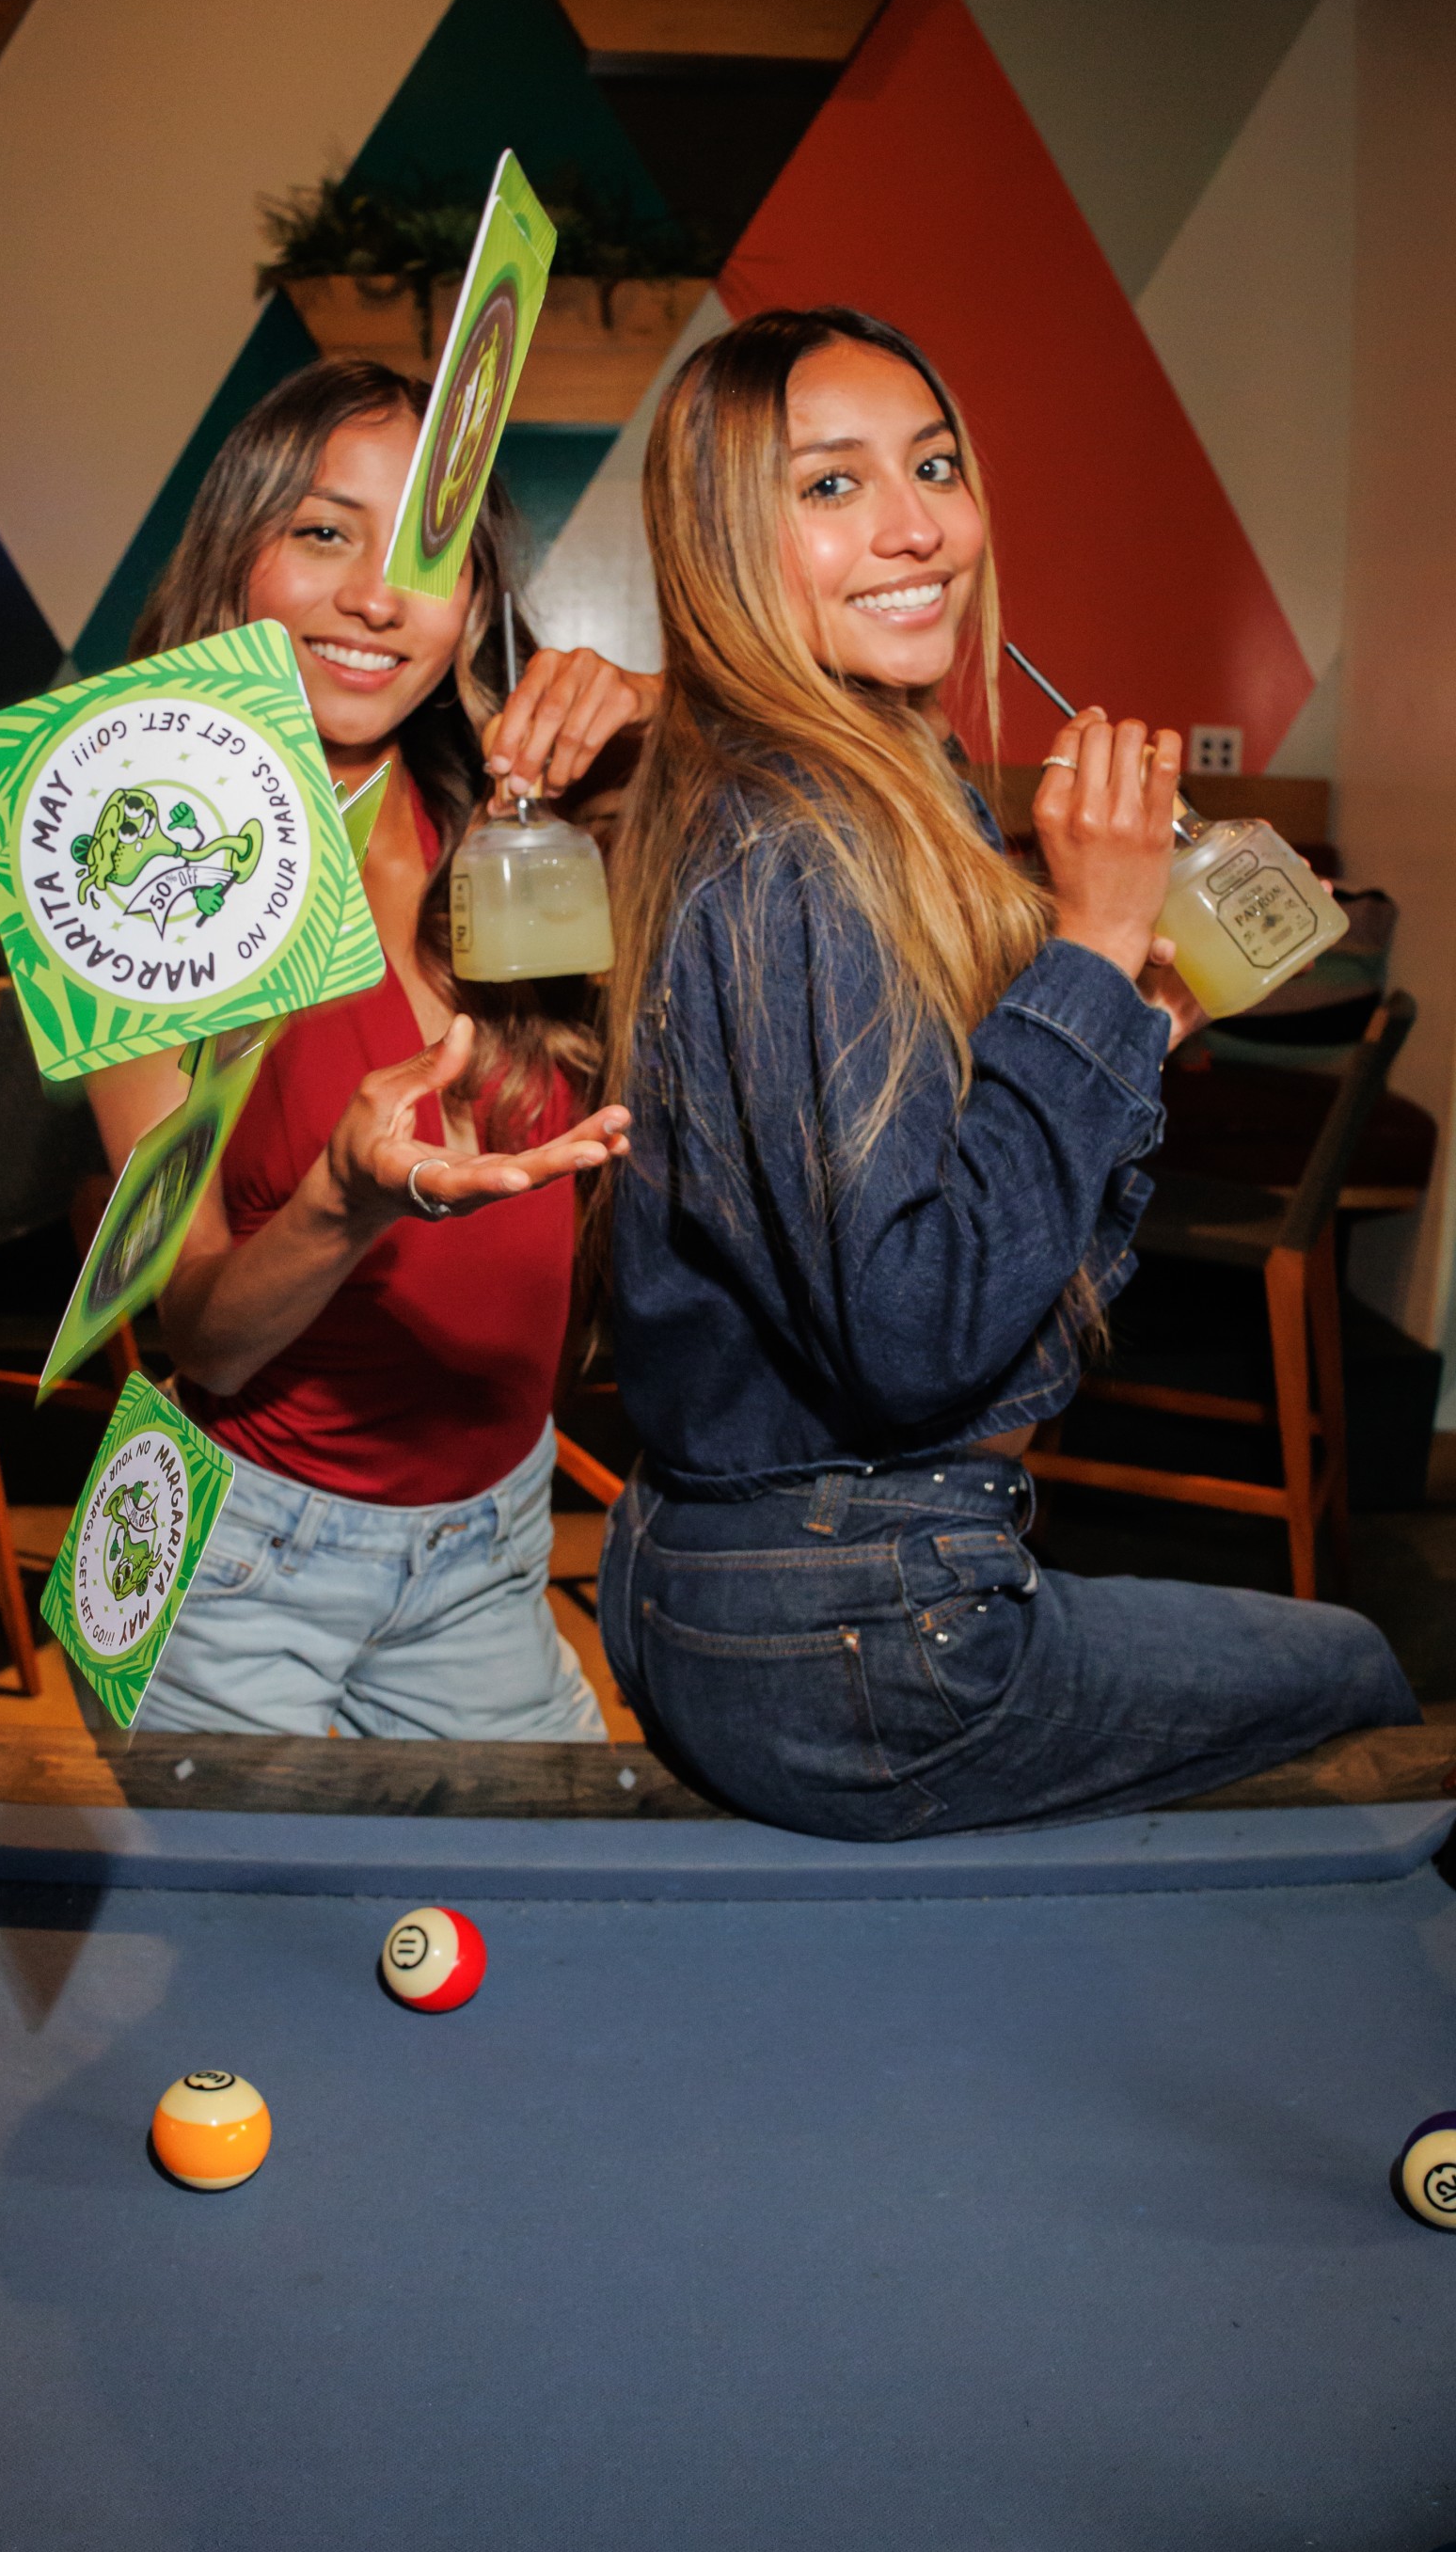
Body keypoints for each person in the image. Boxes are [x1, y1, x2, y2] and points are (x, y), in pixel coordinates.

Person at [593, 304, 1416, 1839]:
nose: (917, 528)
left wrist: (1131, 1025)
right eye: (831, 487)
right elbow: (919, 1336)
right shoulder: (801, 847)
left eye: (935, 464)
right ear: (721, 543)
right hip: (846, 1624)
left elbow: (991, 1233)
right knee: (1360, 1670)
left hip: (784, 1583)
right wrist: (1092, 951)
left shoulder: (884, 788)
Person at [87, 356, 650, 1739]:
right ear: (234, 565)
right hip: (244, 1569)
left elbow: (820, 767)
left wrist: (648, 696)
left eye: (429, 554)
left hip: (489, 1549)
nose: (376, 598)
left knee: (569, 1928)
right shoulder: (141, 880)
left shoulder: (520, 822)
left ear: (473, 605)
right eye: (323, 532)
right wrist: (343, 1203)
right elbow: (202, 1338)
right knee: (232, 1958)